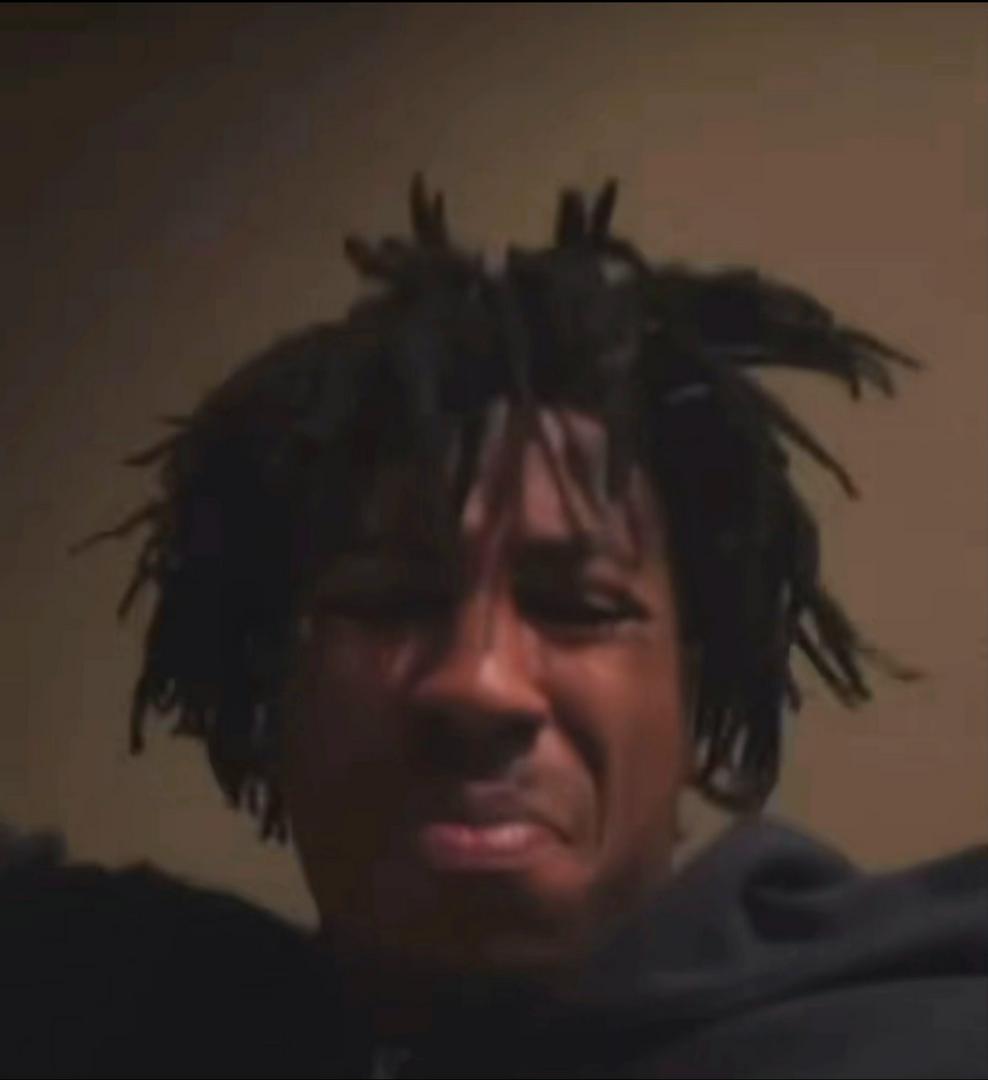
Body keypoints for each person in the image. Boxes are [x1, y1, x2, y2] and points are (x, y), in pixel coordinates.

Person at [2, 179, 985, 1078]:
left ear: (691, 696)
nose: (478, 684)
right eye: (389, 601)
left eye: (580, 608)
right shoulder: (105, 1011)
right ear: (269, 693)